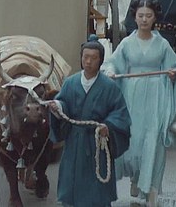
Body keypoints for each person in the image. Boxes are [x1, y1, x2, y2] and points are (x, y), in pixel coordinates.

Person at [103, 0, 176, 207]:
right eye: (140, 16)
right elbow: (112, 63)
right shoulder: (127, 43)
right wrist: (110, 72)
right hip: (132, 94)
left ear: (155, 18)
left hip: (156, 96)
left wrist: (173, 75)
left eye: (148, 16)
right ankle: (136, 179)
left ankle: (151, 190)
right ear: (135, 17)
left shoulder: (162, 44)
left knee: (153, 140)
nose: (144, 19)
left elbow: (175, 67)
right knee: (134, 140)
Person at [48, 39, 131, 207]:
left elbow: (120, 113)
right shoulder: (70, 83)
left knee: (97, 191)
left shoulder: (109, 87)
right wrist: (58, 107)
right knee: (72, 184)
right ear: (81, 58)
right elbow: (63, 102)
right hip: (74, 142)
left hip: (97, 144)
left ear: (100, 60)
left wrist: (108, 126)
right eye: (85, 57)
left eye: (93, 58)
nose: (88, 61)